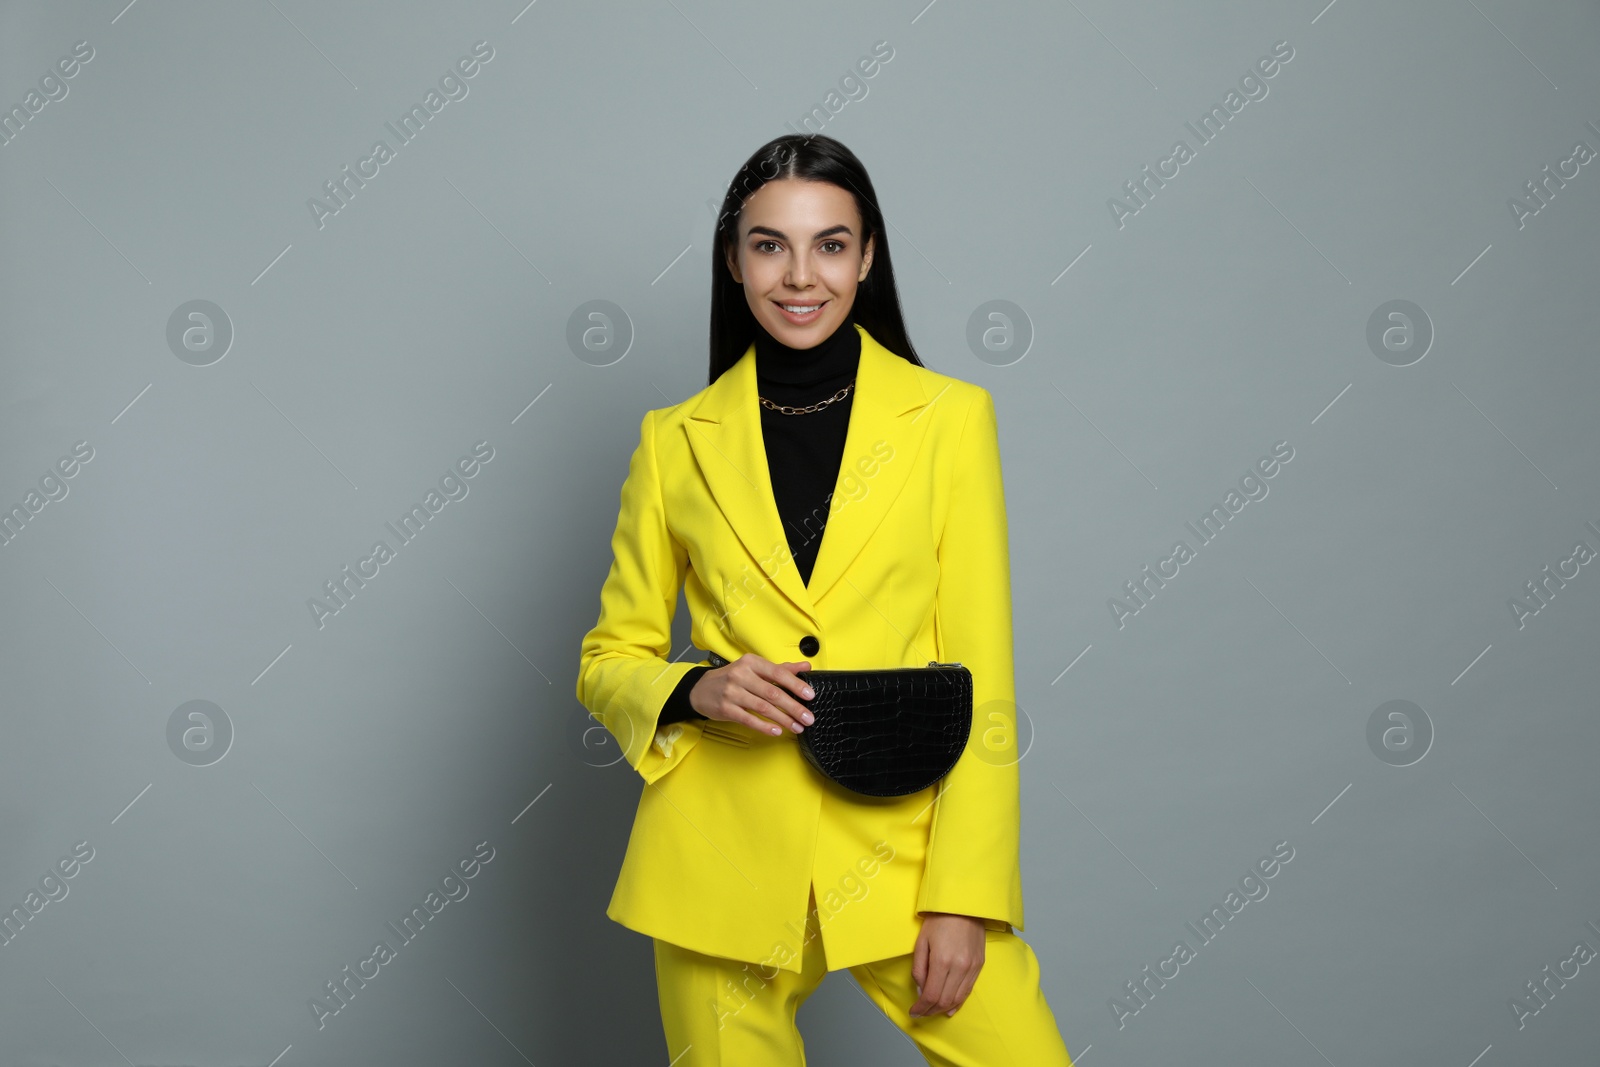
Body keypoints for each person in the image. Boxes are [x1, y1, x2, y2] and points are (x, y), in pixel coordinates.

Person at [576, 134, 1073, 1066]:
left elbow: (983, 669)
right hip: (717, 860)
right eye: (769, 245)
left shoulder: (949, 419)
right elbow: (608, 658)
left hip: (903, 844)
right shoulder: (672, 440)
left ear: (869, 255)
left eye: (830, 244)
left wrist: (964, 894)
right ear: (733, 259)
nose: (800, 274)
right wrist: (695, 689)